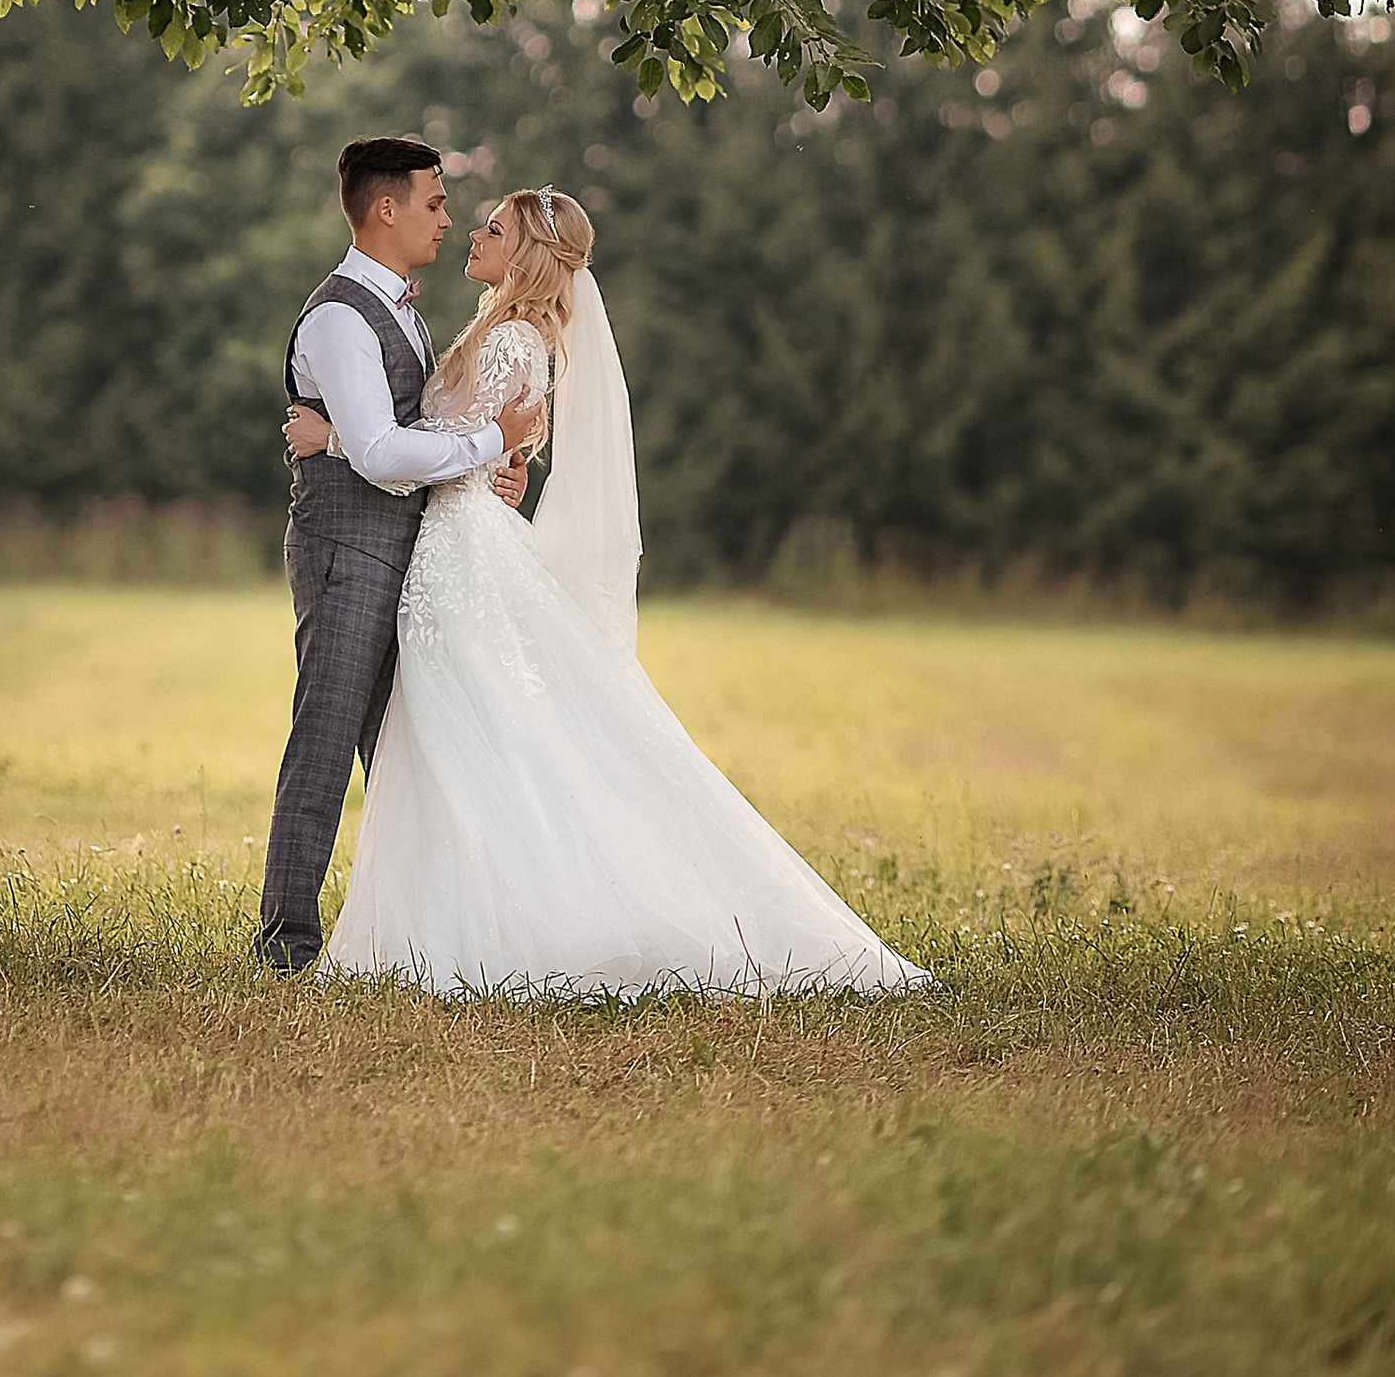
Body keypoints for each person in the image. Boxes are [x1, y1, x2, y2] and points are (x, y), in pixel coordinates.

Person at [284, 183, 930, 1002]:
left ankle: (509, 927)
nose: (470, 233)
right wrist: (497, 460)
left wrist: (334, 436)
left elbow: (448, 441)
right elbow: (474, 448)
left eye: (492, 227)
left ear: (525, 254)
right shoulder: (494, 329)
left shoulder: (517, 338)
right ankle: (434, 923)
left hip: (465, 558)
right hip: (451, 546)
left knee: (486, 742)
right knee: (455, 743)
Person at [254, 137, 526, 974]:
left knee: (408, 750)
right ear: (387, 209)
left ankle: (427, 936)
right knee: (327, 741)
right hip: (344, 551)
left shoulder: (402, 309)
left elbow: (388, 436)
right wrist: (491, 439)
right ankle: (287, 945)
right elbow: (379, 451)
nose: (447, 219)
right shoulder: (340, 315)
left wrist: (488, 470)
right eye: (436, 203)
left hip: (401, 557)